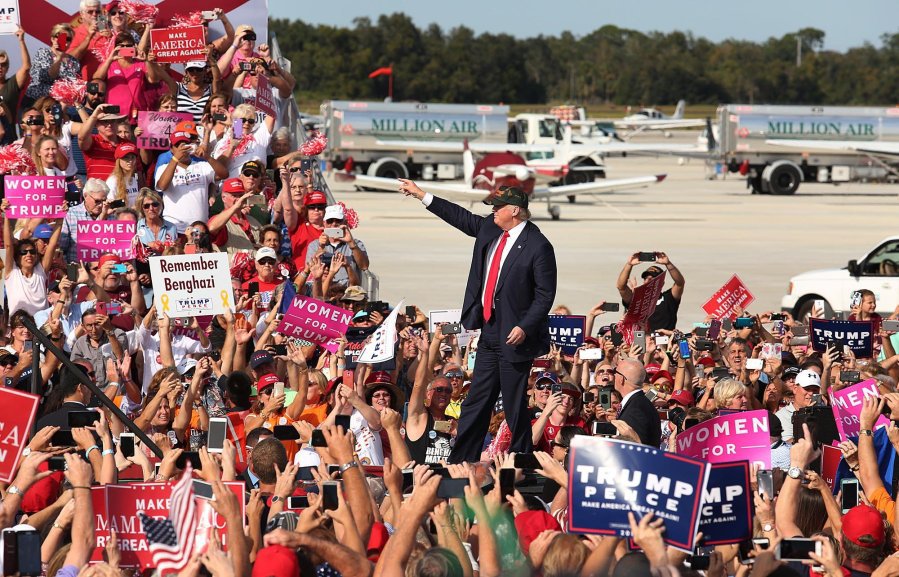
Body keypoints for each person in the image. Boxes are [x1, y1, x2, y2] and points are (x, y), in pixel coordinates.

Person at [398, 180, 557, 462]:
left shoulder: (538, 245)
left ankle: (521, 456)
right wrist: (422, 195)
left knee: (513, 403)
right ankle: (462, 459)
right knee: (476, 401)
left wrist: (525, 326)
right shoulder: (492, 229)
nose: (493, 211)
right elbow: (460, 217)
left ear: (516, 211)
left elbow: (545, 295)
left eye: (498, 207)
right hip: (490, 329)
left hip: (515, 334)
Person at [615, 252, 685, 331]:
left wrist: (668, 264)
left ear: (661, 283)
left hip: (665, 340)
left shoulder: (668, 298)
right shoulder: (636, 300)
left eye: (653, 278)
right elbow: (621, 287)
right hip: (641, 341)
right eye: (646, 278)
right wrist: (629, 265)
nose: (648, 280)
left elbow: (680, 283)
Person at [25, 24, 80, 104]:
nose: (64, 41)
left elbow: (76, 84)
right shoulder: (44, 53)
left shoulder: (74, 61)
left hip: (63, 103)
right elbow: (48, 77)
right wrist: (59, 57)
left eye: (68, 39)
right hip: (38, 102)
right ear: (53, 39)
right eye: (61, 37)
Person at [613, 357, 661, 446]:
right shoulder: (640, 403)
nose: (613, 375)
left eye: (615, 371)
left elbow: (636, 449)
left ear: (621, 379)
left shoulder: (636, 409)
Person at [0, 28, 31, 122]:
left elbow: (26, 67)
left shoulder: (11, 84)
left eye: (3, 64)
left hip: (9, 133)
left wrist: (21, 40)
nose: (0, 67)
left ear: (8, 67)